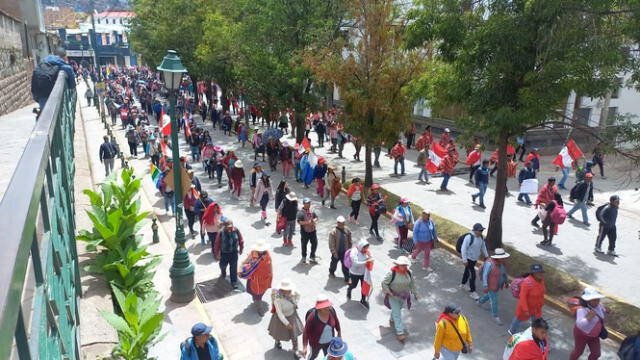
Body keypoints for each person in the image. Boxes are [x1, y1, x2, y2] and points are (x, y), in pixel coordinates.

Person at [382, 256, 417, 342]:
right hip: (393, 296)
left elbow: (412, 283)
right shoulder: (391, 273)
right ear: (397, 264)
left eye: (405, 265)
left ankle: (391, 319)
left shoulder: (409, 273)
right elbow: (384, 283)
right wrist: (388, 292)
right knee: (398, 314)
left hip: (403, 296)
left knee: (397, 310)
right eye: (402, 265)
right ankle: (400, 332)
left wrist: (415, 293)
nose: (404, 267)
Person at [31, 47, 76, 112]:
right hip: (52, 94)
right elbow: (72, 85)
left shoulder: (42, 62)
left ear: (53, 54)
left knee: (44, 114)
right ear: (65, 57)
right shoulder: (62, 65)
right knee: (56, 115)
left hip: (38, 93)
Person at [268, 279, 303, 358]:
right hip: (281, 318)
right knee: (278, 332)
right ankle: (277, 342)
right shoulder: (277, 298)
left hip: (292, 315)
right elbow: (279, 312)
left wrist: (295, 302)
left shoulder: (292, 292)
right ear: (283, 290)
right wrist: (286, 323)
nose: (290, 290)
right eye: (288, 289)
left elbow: (299, 294)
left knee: (294, 334)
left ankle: (295, 349)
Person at [569, 288, 606, 360]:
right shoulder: (582, 309)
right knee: (578, 351)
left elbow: (601, 312)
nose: (597, 302)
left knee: (596, 353)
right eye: (594, 300)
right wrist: (588, 318)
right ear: (588, 300)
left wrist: (605, 310)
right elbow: (579, 324)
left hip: (594, 335)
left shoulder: (598, 305)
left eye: (598, 299)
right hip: (582, 334)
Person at [302, 294, 342, 360]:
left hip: (329, 342)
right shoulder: (312, 317)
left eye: (328, 306)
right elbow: (306, 331)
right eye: (325, 307)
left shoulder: (332, 311)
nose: (328, 308)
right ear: (319, 308)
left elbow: (337, 322)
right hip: (316, 343)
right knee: (313, 356)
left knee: (328, 356)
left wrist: (339, 332)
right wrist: (305, 346)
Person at [509, 264, 546, 335]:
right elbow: (522, 297)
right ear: (533, 273)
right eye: (537, 272)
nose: (540, 274)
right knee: (518, 319)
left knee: (536, 319)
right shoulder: (526, 283)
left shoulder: (541, 281)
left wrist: (541, 303)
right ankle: (512, 331)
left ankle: (535, 332)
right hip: (526, 307)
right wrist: (525, 309)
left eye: (541, 272)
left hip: (536, 307)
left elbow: (542, 293)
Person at [477, 248, 510, 325]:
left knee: (489, 296)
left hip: (497, 285)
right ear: (498, 258)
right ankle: (495, 316)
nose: (505, 259)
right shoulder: (489, 264)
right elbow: (485, 275)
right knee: (494, 300)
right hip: (490, 285)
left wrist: (506, 282)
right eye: (503, 257)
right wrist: (485, 286)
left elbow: (504, 273)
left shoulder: (502, 264)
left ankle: (480, 301)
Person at [240, 239, 273, 316]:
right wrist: (242, 269)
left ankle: (258, 301)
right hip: (255, 279)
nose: (261, 251)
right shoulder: (253, 254)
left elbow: (270, 264)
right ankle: (259, 307)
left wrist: (271, 274)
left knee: (261, 292)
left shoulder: (267, 254)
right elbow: (244, 262)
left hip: (265, 277)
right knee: (256, 293)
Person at [460, 223, 489, 300]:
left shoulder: (481, 238)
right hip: (468, 259)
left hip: (474, 259)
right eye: (480, 230)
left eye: (482, 230)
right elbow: (463, 249)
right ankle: (473, 292)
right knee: (472, 275)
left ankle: (463, 284)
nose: (481, 232)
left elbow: (483, 247)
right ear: (475, 230)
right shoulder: (469, 237)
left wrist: (486, 256)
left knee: (467, 272)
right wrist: (464, 260)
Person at [214, 218, 244, 289]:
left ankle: (234, 282)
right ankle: (223, 271)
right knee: (222, 265)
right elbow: (217, 244)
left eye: (231, 226)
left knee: (233, 268)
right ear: (225, 226)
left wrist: (241, 249)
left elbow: (241, 240)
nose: (230, 228)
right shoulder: (221, 232)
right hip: (224, 253)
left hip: (234, 253)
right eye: (228, 227)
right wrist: (217, 254)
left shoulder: (236, 230)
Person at [347, 239, 373, 308]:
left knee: (364, 287)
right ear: (361, 246)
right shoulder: (354, 252)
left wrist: (371, 259)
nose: (366, 250)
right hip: (354, 273)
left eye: (367, 248)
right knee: (353, 285)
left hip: (364, 273)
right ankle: (349, 289)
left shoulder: (366, 251)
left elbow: (370, 256)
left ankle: (363, 300)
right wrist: (366, 262)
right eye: (365, 248)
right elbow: (356, 263)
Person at [328, 216, 353, 283]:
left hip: (345, 252)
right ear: (338, 223)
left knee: (345, 265)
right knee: (333, 264)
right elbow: (331, 244)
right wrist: (334, 253)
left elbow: (350, 238)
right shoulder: (333, 232)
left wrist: (350, 248)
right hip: (336, 252)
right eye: (340, 223)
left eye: (343, 223)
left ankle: (347, 278)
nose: (342, 224)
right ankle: (331, 272)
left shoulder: (347, 229)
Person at [297, 198, 319, 263]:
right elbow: (299, 222)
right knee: (304, 244)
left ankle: (312, 256)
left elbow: (316, 217)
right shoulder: (301, 212)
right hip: (304, 232)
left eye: (309, 203)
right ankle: (304, 256)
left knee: (315, 243)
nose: (308, 204)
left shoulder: (312, 210)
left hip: (313, 231)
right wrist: (308, 222)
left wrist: (314, 221)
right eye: (306, 203)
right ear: (304, 204)